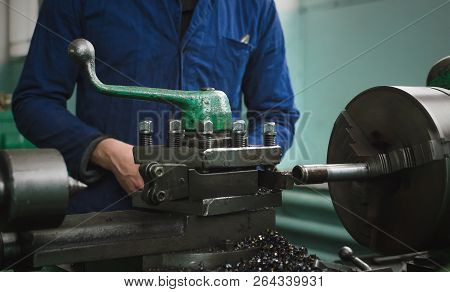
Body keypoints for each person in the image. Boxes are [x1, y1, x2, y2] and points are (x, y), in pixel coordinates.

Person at [12, 0, 300, 214]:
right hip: (111, 212)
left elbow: (278, 113)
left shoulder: (254, 6)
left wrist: (232, 164)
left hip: (219, 216)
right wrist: (106, 152)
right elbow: (35, 101)